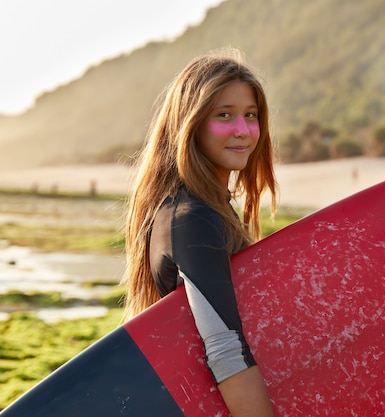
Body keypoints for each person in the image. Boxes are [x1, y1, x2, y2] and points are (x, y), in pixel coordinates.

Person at [121, 48, 278, 417]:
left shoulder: (203, 209)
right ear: (190, 124)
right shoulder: (191, 218)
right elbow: (225, 350)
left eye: (250, 115)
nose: (243, 130)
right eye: (224, 115)